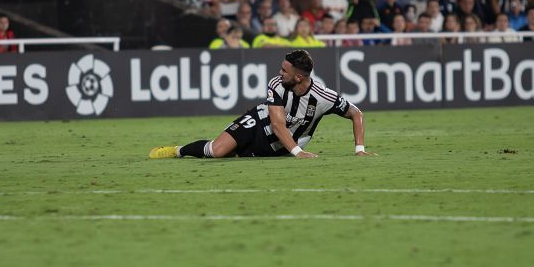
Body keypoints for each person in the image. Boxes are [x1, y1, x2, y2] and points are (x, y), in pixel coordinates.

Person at [149, 50, 374, 159]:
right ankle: (177, 151)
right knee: (216, 151)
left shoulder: (324, 97)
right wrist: (298, 153)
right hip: (259, 123)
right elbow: (277, 125)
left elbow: (356, 113)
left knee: (236, 157)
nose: (279, 73)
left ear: (298, 77)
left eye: (284, 70)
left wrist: (360, 150)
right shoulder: (276, 84)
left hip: (280, 147)